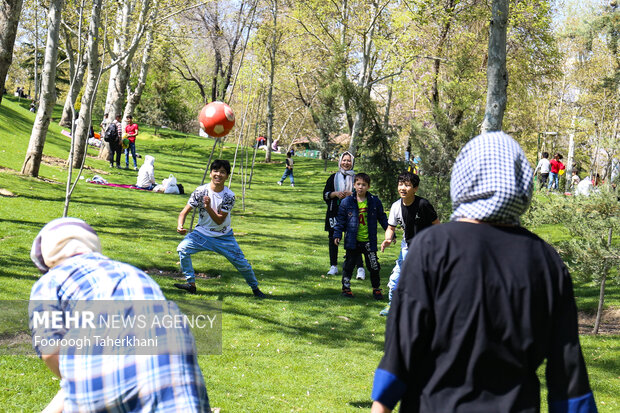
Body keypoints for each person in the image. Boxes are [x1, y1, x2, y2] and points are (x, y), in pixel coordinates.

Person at [371, 132, 597, 413]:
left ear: (464, 177)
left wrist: (381, 404)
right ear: (521, 182)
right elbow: (568, 374)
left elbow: (400, 352)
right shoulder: (546, 261)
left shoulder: (431, 248)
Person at [28, 218, 210, 412]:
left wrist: (75, 380)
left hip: (106, 388)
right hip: (178, 378)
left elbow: (51, 351)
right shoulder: (133, 273)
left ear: (48, 259)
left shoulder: (50, 282)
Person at [174, 159, 266, 298]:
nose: (218, 174)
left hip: (224, 236)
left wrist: (207, 207)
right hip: (201, 234)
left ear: (227, 176)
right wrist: (180, 225)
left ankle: (255, 289)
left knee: (243, 265)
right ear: (210, 173)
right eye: (215, 171)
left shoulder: (229, 196)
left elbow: (219, 220)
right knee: (183, 249)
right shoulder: (200, 191)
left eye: (222, 172)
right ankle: (191, 285)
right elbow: (183, 212)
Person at [379, 172, 439, 316]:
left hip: (426, 249)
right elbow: (390, 227)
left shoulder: (423, 205)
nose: (403, 188)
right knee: (395, 279)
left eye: (407, 185)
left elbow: (437, 226)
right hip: (407, 247)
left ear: (415, 188)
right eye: (400, 184)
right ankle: (391, 305)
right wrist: (388, 238)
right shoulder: (396, 206)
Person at [333, 173, 388, 299]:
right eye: (358, 184)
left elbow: (383, 218)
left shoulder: (374, 201)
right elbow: (340, 220)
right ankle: (346, 288)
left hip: (369, 241)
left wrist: (390, 232)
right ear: (354, 185)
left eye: (364, 185)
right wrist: (337, 234)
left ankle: (376, 289)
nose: (360, 187)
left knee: (374, 266)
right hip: (353, 241)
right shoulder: (346, 202)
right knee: (349, 265)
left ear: (368, 186)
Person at [323, 152, 366, 279]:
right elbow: (325, 194)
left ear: (352, 163)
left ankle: (360, 268)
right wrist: (335, 194)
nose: (346, 163)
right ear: (340, 161)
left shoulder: (357, 179)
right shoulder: (333, 177)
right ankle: (334, 266)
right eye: (344, 160)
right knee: (333, 238)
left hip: (352, 213)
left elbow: (363, 194)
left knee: (354, 240)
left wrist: (351, 195)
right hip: (334, 212)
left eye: (349, 161)